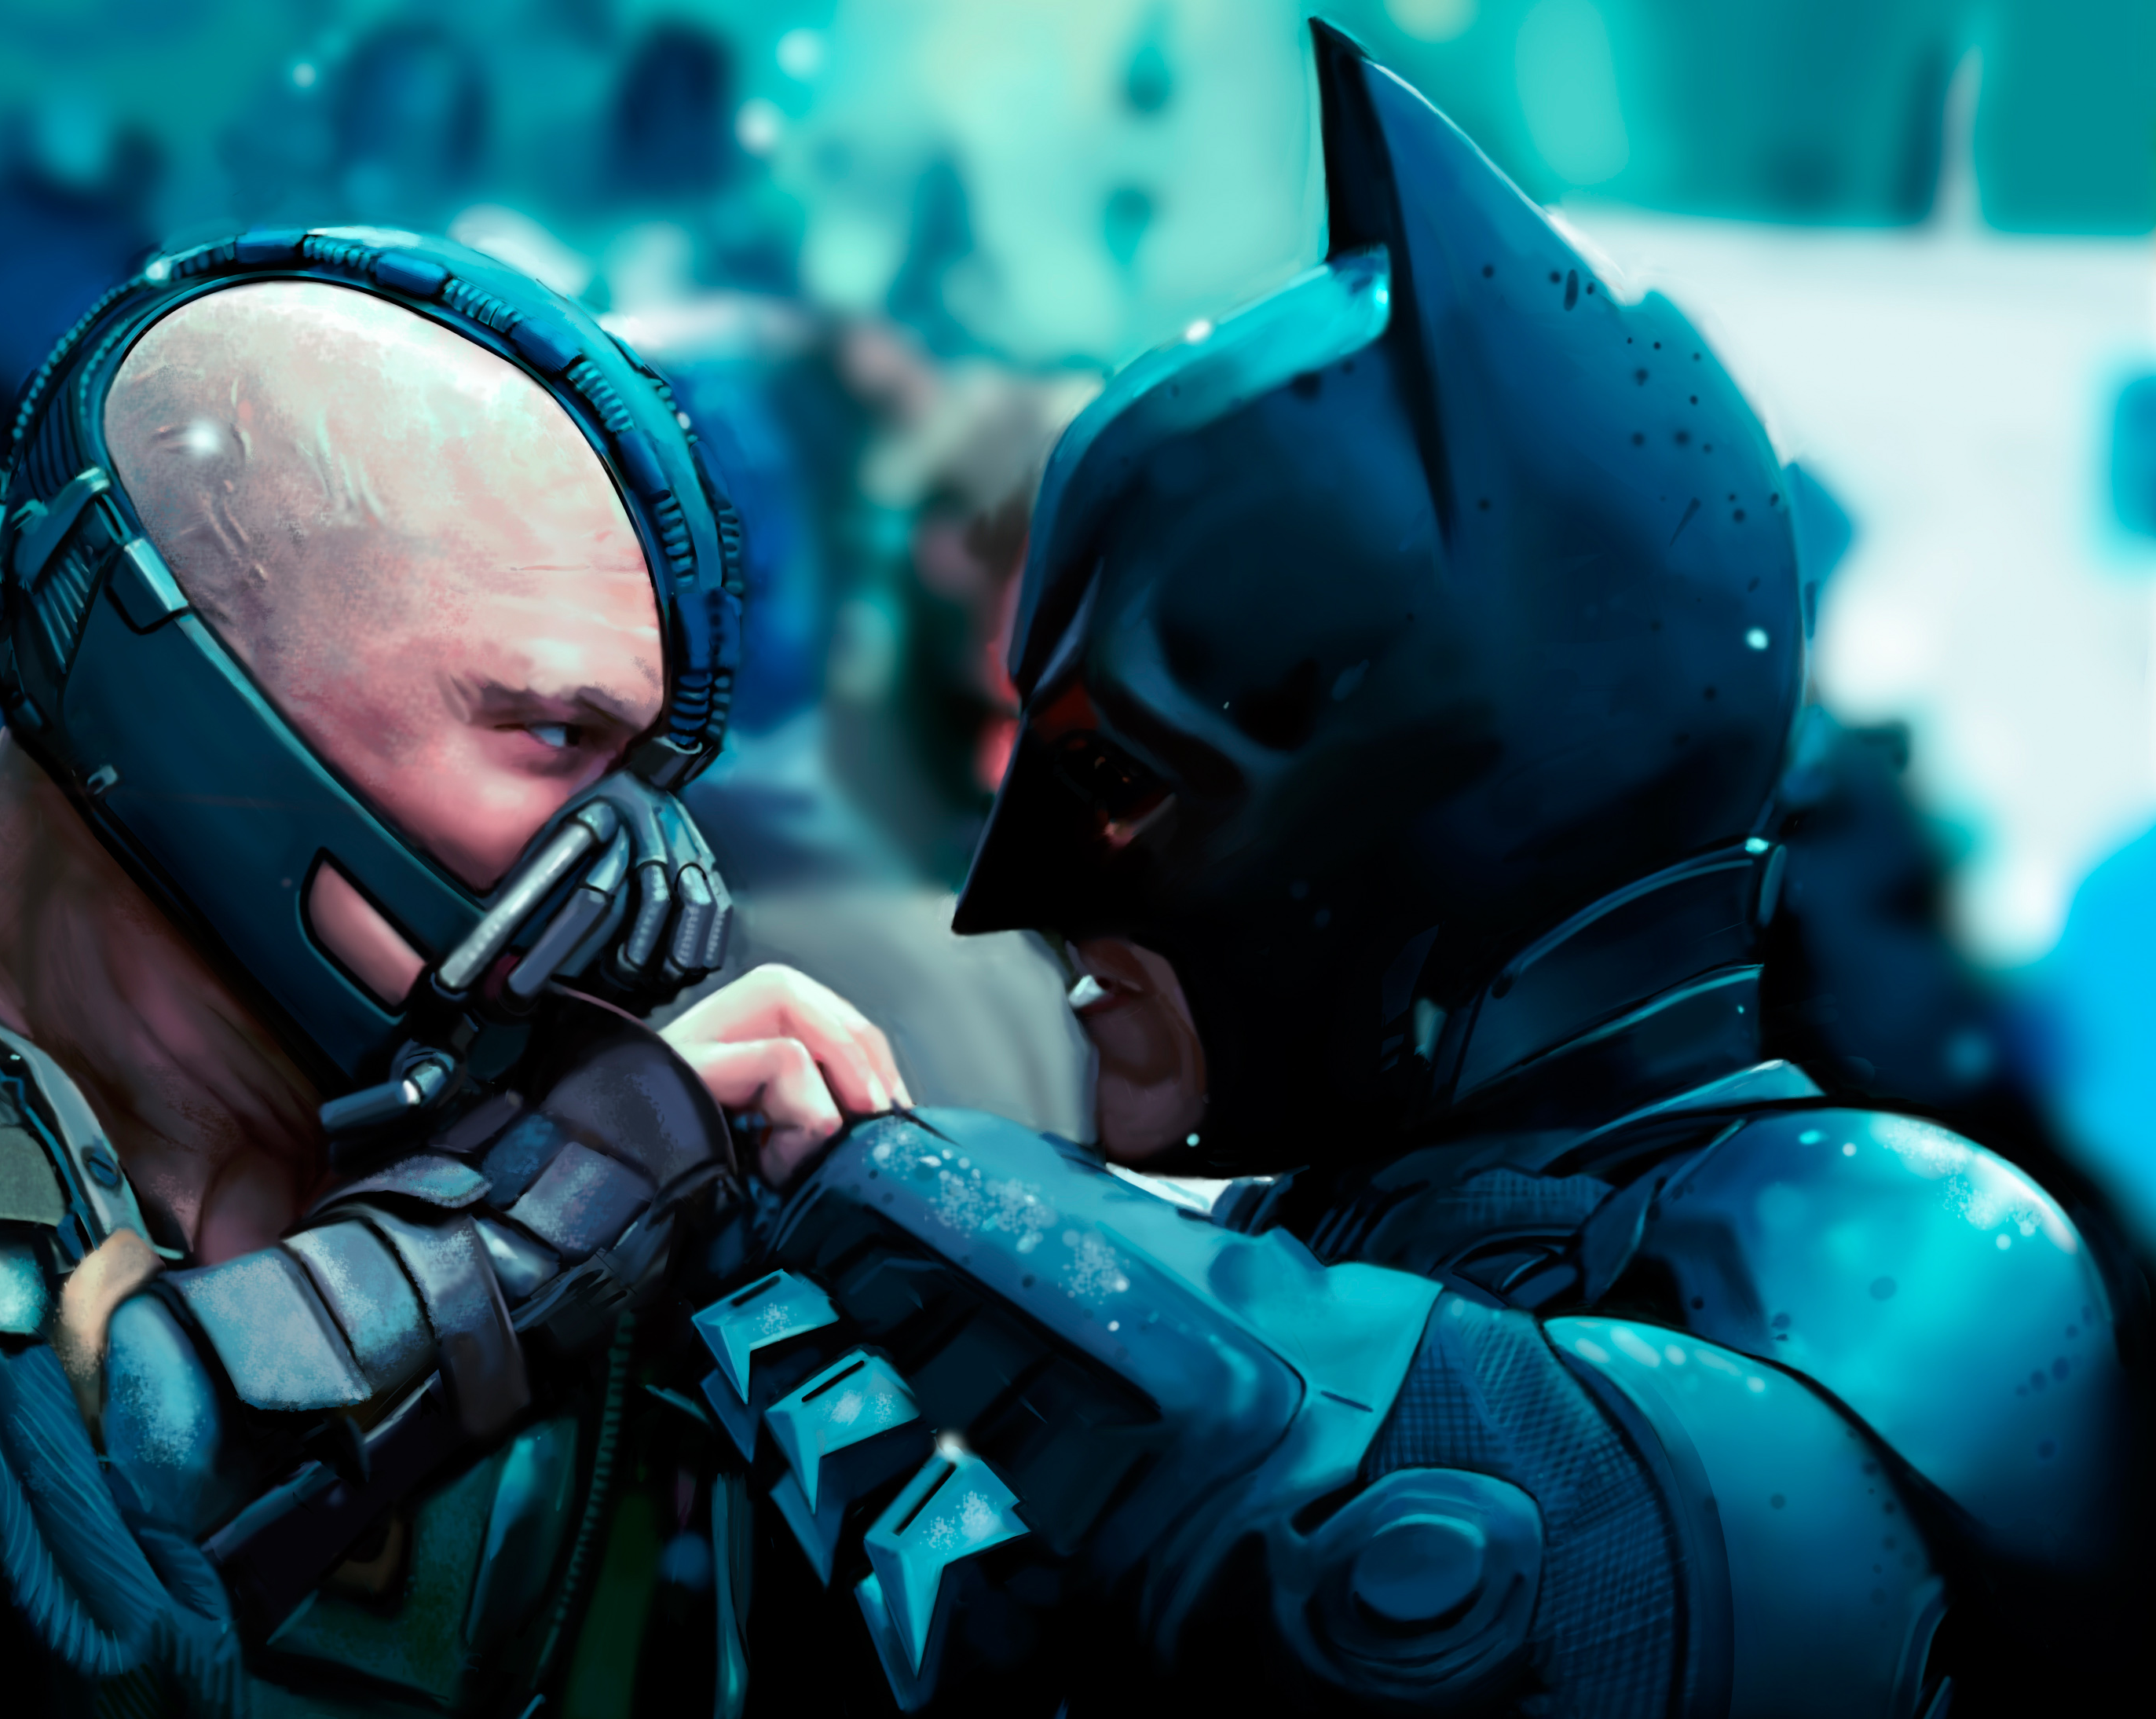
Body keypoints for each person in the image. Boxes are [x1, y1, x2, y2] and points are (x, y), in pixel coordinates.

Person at [696, 28, 2143, 1714]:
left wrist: (870, 1185)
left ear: (1428, 804)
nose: (1017, 894)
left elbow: (1505, 1569)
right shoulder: (1303, 1235)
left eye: (1118, 778)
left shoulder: (1907, 1246)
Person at [0, 229, 902, 1714]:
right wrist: (485, 1257)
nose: (640, 869)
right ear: (173, 682)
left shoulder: (597, 1233)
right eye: (553, 739)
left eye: (645, 778)